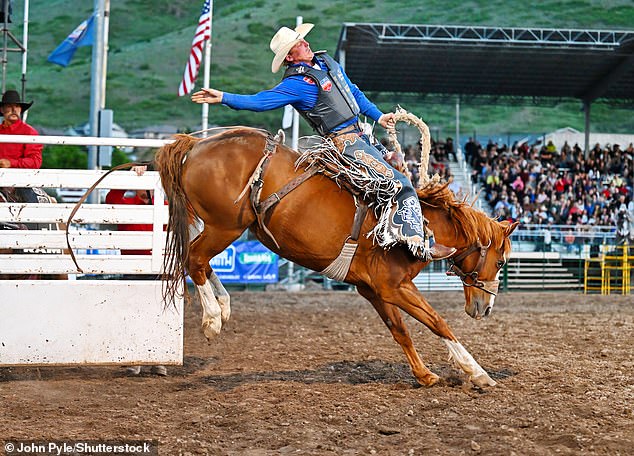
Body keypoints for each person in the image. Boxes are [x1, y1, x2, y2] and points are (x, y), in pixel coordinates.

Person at [191, 23, 455, 262]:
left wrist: (379, 115)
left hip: (362, 135)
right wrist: (224, 96)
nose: (305, 43)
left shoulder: (328, 64)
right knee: (401, 183)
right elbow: (261, 101)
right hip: (346, 143)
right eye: (298, 44)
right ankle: (419, 244)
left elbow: (353, 92)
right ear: (290, 57)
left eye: (302, 39)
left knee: (398, 168)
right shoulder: (296, 84)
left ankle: (393, 233)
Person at [105, 165, 167, 377]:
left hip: (158, 267)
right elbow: (111, 199)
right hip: (132, 266)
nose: (144, 190)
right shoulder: (127, 204)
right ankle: (135, 358)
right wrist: (129, 177)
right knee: (133, 313)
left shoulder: (164, 206)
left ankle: (158, 358)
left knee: (159, 313)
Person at [0, 89, 46, 203]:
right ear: (2, 110)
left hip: (21, 180)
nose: (13, 109)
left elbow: (35, 162)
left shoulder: (29, 132)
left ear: (20, 109)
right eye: (9, 106)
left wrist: (11, 163)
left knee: (31, 205)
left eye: (17, 106)